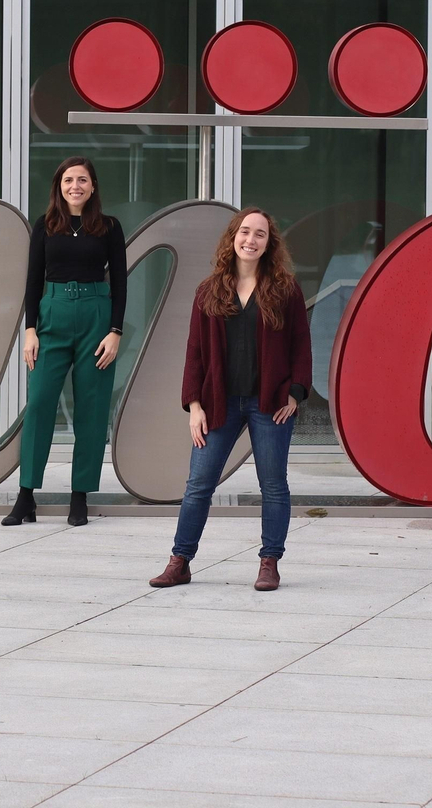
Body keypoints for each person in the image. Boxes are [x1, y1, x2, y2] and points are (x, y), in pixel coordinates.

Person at [151, 207, 311, 591]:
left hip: (269, 403)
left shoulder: (285, 289)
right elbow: (194, 353)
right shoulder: (208, 291)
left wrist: (295, 393)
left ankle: (269, 562)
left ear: (269, 243)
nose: (250, 240)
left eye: (260, 234)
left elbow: (301, 346)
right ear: (232, 237)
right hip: (218, 402)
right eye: (245, 232)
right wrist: (194, 406)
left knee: (273, 485)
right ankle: (180, 561)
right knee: (198, 484)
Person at [6, 156, 127, 528]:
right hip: (53, 315)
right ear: (59, 186)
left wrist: (115, 332)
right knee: (40, 403)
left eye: (83, 180)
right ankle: (26, 496)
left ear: (93, 187)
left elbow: (120, 282)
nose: (76, 186)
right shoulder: (45, 226)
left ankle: (80, 497)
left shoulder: (109, 227)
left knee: (91, 409)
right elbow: (32, 281)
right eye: (69, 180)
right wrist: (29, 330)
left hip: (96, 316)